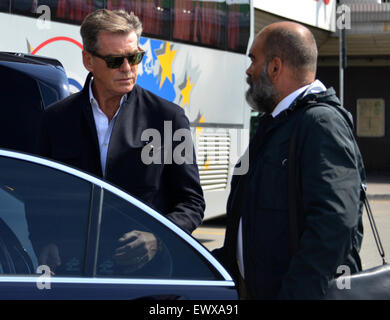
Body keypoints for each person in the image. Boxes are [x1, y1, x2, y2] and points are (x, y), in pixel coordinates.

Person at [35, 9, 205, 273]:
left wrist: (158, 239)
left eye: (135, 57)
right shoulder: (55, 119)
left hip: (144, 278)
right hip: (73, 272)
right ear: (88, 60)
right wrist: (43, 240)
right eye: (115, 61)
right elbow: (40, 195)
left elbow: (191, 203)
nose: (128, 68)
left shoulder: (168, 118)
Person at [213, 21, 366, 300]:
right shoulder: (278, 123)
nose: (248, 70)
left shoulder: (321, 123)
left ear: (274, 67)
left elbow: (334, 225)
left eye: (253, 59)